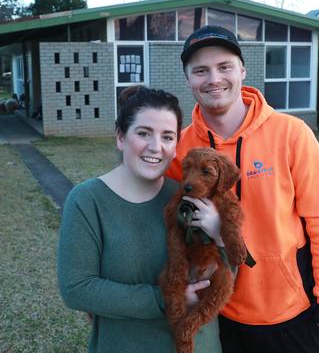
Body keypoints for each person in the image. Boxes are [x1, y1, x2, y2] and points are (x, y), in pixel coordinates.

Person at [166, 25, 319, 353]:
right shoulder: (180, 146)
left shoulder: (292, 134)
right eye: (201, 70)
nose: (214, 79)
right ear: (188, 79)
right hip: (216, 317)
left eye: (224, 67)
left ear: (242, 71)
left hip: (290, 315)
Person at [57, 85, 222, 352]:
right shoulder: (88, 201)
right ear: (121, 137)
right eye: (144, 133)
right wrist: (165, 298)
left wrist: (220, 234)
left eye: (167, 137)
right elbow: (77, 288)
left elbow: (223, 272)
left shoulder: (187, 198)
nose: (156, 147)